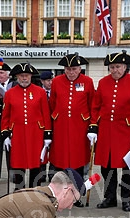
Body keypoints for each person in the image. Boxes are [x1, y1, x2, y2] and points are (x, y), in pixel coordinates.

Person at [89, 51, 130, 212]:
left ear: (125, 67)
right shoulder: (103, 82)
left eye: (118, 67)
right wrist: (93, 126)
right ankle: (110, 197)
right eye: (112, 67)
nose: (115, 70)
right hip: (106, 131)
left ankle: (126, 199)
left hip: (126, 131)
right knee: (107, 167)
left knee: (128, 168)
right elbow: (96, 107)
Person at [48, 54, 95, 203]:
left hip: (80, 127)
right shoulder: (56, 81)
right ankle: (59, 194)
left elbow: (92, 105)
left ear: (80, 69)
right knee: (59, 161)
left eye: (74, 69)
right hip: (60, 126)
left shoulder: (87, 81)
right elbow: (52, 103)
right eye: (68, 69)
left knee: (78, 162)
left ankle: (76, 195)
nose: (71, 72)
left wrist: (92, 127)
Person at [1, 63, 52, 190]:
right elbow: (6, 115)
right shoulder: (10, 93)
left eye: (27, 75)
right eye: (22, 76)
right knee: (18, 162)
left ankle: (35, 190)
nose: (24, 78)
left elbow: (45, 114)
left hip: (36, 132)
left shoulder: (40, 92)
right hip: (17, 133)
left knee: (36, 163)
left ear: (31, 76)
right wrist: (5, 133)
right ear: (17, 77)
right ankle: (20, 189)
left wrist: (47, 134)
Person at [39, 70, 56, 182]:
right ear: (42, 81)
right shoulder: (39, 92)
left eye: (51, 80)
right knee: (42, 149)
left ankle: (52, 173)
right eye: (47, 80)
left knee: (54, 150)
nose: (50, 83)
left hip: (54, 123)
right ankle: (41, 173)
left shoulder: (55, 91)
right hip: (42, 125)